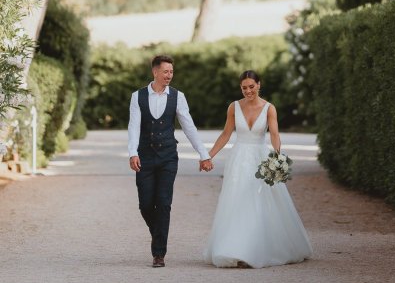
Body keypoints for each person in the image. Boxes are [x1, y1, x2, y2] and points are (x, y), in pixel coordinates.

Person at [204, 69, 312, 268]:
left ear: (259, 85)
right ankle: (235, 249)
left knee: (258, 200)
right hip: (239, 159)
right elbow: (226, 134)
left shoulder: (269, 108)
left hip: (261, 159)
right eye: (244, 88)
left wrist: (278, 158)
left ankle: (253, 249)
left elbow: (274, 134)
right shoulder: (233, 107)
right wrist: (207, 155)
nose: (248, 91)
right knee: (237, 200)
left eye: (251, 87)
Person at [128, 55, 213, 268]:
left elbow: (188, 126)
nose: (169, 75)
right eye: (166, 72)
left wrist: (203, 154)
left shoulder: (178, 97)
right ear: (155, 72)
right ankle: (158, 233)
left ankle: (159, 254)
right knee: (146, 204)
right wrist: (132, 152)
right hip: (145, 156)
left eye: (171, 72)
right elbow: (134, 126)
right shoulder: (137, 96)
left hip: (168, 157)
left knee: (164, 203)